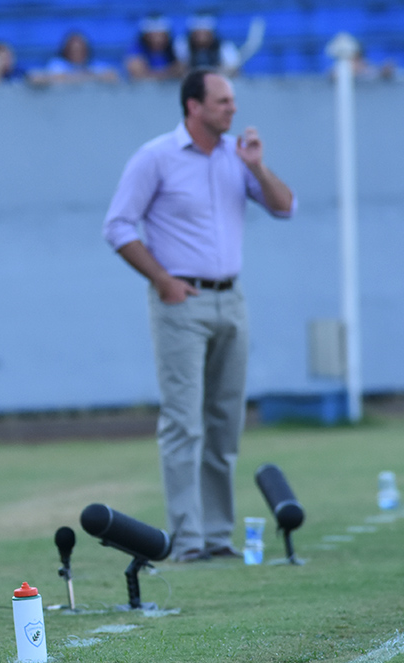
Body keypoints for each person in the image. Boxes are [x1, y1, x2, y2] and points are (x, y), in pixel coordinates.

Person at [102, 69, 294, 562]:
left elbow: (284, 207)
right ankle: (188, 541)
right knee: (184, 421)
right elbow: (118, 226)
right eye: (223, 100)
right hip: (180, 301)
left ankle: (217, 536)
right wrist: (162, 280)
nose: (233, 108)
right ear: (194, 105)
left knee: (225, 421)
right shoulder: (156, 157)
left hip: (232, 298)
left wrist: (258, 167)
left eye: (232, 100)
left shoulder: (237, 156)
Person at [28, 30, 119, 85]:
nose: (77, 54)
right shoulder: (57, 65)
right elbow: (37, 78)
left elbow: (112, 76)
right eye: (73, 50)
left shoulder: (95, 65)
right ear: (66, 51)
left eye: (80, 50)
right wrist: (92, 77)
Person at [173, 13, 240, 76]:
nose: (201, 38)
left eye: (205, 34)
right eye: (198, 34)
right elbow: (178, 69)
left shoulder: (225, 47)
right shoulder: (183, 46)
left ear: (212, 34)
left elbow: (234, 70)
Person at [125, 13, 184, 81]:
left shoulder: (175, 47)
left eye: (161, 35)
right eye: (153, 36)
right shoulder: (136, 49)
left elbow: (182, 70)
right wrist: (170, 72)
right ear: (145, 36)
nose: (157, 39)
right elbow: (138, 75)